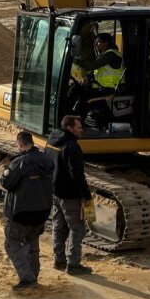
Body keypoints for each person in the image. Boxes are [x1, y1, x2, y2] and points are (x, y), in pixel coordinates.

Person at [0, 130, 54, 291]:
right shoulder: (46, 160)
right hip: (42, 211)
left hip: (22, 212)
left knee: (12, 243)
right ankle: (33, 276)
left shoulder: (19, 162)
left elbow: (6, 182)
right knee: (32, 243)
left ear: (20, 144)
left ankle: (27, 278)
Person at [48, 115, 93, 275]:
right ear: (70, 128)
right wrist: (87, 195)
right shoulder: (72, 146)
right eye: (79, 127)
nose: (82, 130)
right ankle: (73, 264)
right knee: (77, 228)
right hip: (69, 195)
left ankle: (59, 260)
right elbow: (77, 174)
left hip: (55, 192)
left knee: (58, 226)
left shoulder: (52, 141)